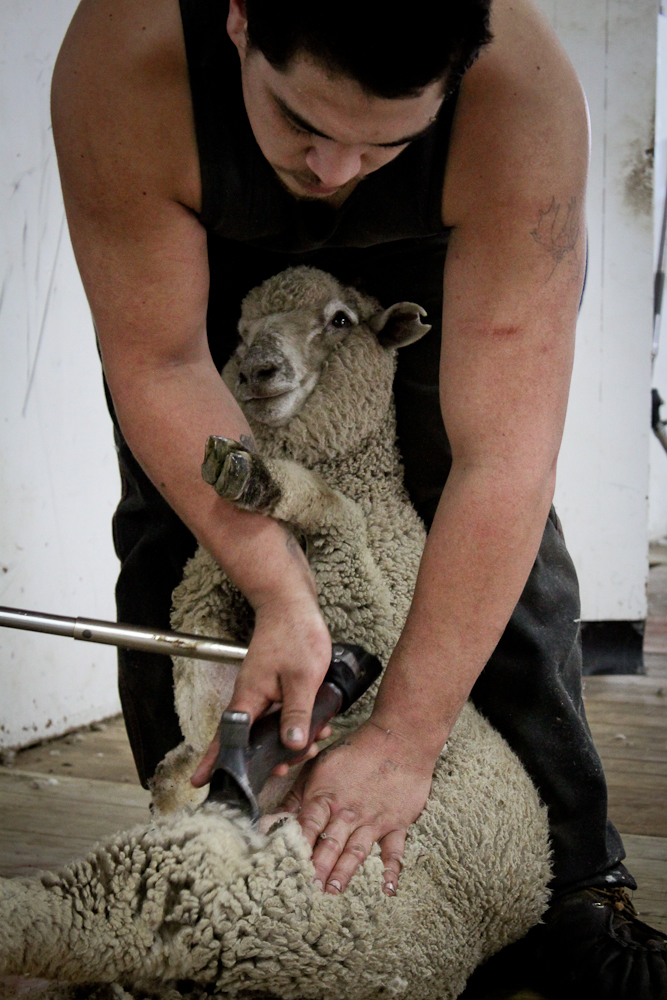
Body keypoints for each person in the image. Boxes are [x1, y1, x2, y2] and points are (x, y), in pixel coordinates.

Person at [51, 0, 666, 995]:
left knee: (473, 528)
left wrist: (405, 736)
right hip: (210, 250)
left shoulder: (520, 103)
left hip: (428, 255)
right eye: (303, 122)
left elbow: (499, 464)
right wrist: (280, 591)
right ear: (239, 20)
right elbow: (161, 362)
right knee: (178, 537)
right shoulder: (129, 55)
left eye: (380, 139)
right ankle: (205, 867)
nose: (332, 170)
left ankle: (576, 893)